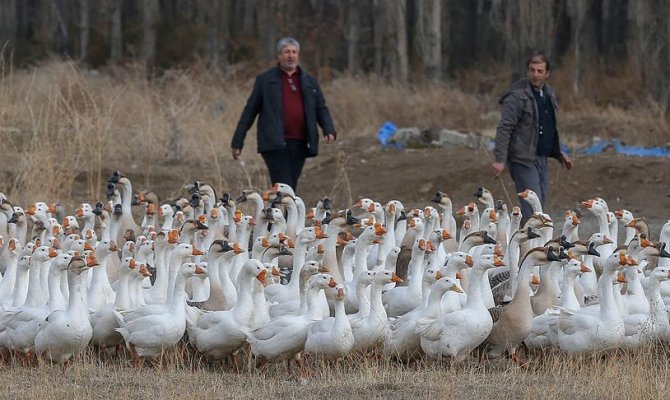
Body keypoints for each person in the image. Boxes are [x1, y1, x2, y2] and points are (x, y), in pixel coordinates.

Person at [230, 37, 337, 192]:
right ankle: (283, 214)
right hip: (274, 143)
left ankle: (280, 214)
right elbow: (250, 111)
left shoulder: (309, 81)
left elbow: (320, 108)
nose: (291, 56)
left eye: (294, 52)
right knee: (284, 185)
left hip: (301, 142)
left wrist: (329, 129)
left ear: (298, 55)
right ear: (279, 56)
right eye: (286, 52)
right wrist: (237, 141)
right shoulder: (266, 80)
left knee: (290, 185)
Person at [491, 53, 573, 222]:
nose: (536, 74)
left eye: (540, 71)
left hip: (541, 157)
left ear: (547, 73)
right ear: (527, 71)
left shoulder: (548, 94)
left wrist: (558, 153)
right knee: (532, 210)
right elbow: (504, 128)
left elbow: (549, 127)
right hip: (522, 158)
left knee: (539, 205)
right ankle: (526, 247)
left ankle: (523, 240)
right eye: (532, 70)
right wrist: (500, 159)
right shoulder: (517, 96)